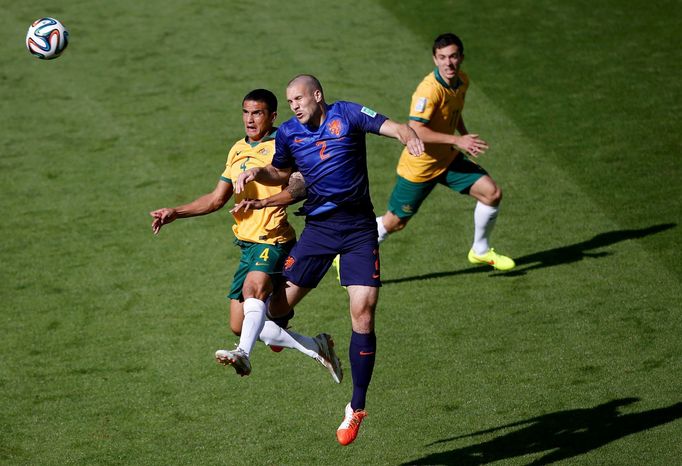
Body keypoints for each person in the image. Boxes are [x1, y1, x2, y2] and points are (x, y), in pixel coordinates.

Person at [235, 75, 424, 446]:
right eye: (290, 102)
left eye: (300, 99)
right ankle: (313, 342)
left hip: (357, 230)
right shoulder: (289, 134)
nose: (295, 106)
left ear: (317, 96)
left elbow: (391, 126)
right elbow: (282, 172)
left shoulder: (348, 115)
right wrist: (260, 172)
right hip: (319, 230)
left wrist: (407, 133)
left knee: (364, 312)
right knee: (271, 310)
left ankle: (356, 407)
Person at [149, 88, 342, 384]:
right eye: (246, 112)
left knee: (254, 292)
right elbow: (216, 199)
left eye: (258, 113)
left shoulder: (285, 143)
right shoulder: (237, 149)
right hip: (247, 244)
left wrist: (264, 196)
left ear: (272, 116)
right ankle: (316, 346)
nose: (250, 119)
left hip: (273, 236)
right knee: (239, 324)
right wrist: (176, 212)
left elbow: (299, 187)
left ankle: (243, 354)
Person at [376, 33, 515, 271]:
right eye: (442, 57)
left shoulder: (462, 80)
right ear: (434, 59)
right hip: (420, 166)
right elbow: (416, 129)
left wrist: (464, 137)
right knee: (395, 222)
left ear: (461, 57)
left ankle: (480, 251)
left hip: (447, 158)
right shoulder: (428, 91)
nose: (448, 63)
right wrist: (457, 140)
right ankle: (347, 251)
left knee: (491, 193)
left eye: (453, 57)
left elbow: (454, 112)